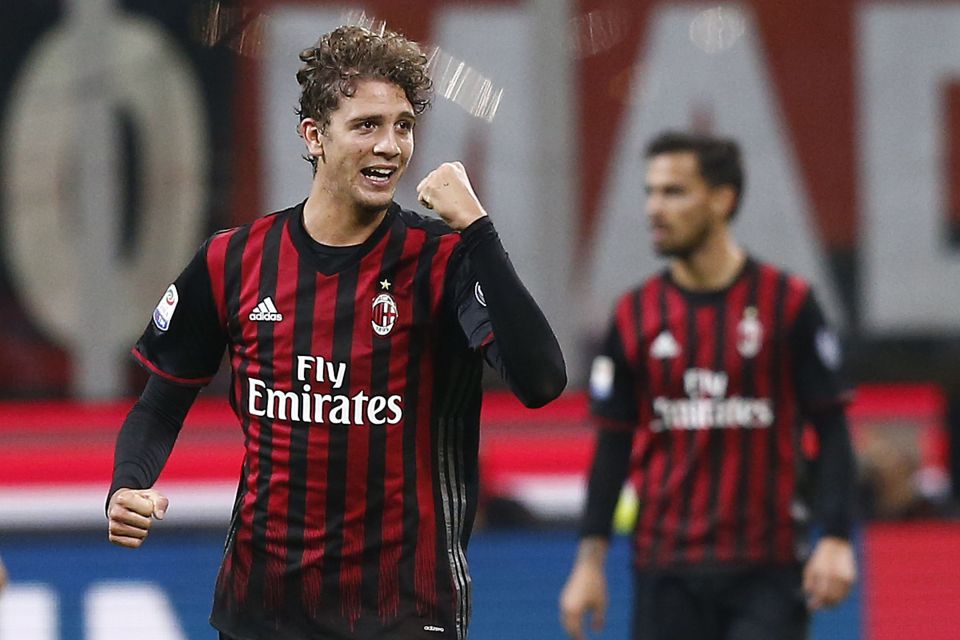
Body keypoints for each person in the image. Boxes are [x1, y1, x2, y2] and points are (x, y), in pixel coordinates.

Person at [106, 25, 566, 640]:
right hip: (260, 611)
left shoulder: (445, 260)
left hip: (404, 613)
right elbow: (159, 404)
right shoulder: (235, 261)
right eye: (367, 125)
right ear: (314, 136)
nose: (391, 146)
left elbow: (541, 381)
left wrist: (478, 230)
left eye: (403, 126)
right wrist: (127, 486)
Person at [559, 131, 857, 640]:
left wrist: (835, 537)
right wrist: (589, 562)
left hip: (767, 569)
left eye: (674, 192)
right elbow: (612, 446)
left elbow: (831, 430)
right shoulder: (634, 315)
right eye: (650, 192)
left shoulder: (788, 304)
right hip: (665, 572)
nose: (655, 208)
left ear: (723, 199)